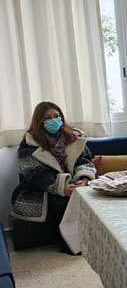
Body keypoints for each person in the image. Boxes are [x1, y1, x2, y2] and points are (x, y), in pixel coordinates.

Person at [10, 102, 96, 250]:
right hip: (39, 190)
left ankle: (88, 237)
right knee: (60, 200)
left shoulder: (74, 138)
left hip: (73, 184)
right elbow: (34, 174)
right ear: (39, 121)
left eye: (56, 116)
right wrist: (62, 187)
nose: (53, 120)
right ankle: (72, 244)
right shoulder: (29, 142)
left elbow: (84, 161)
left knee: (91, 195)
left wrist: (84, 179)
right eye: (47, 117)